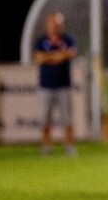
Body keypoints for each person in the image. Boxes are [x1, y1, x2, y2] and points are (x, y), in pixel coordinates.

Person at [33, 12, 78, 157]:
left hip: (63, 85)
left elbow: (70, 54)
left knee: (67, 118)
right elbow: (39, 58)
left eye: (57, 25)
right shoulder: (41, 41)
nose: (55, 28)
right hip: (46, 86)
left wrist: (50, 57)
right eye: (52, 25)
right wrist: (58, 56)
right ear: (47, 26)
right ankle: (46, 146)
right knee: (45, 118)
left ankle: (69, 146)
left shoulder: (68, 39)